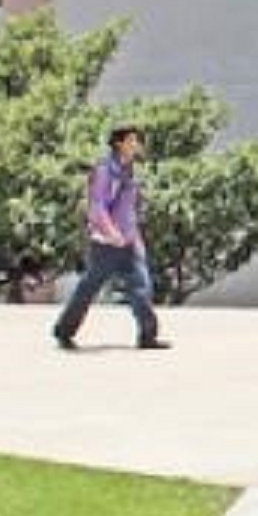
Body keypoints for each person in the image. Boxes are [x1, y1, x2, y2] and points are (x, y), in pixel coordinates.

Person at [53, 125, 167, 351]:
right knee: (88, 289)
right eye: (132, 140)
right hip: (106, 245)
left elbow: (130, 210)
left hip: (129, 243)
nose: (137, 145)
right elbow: (97, 206)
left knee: (142, 288)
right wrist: (111, 233)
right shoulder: (106, 170)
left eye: (137, 141)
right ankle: (64, 332)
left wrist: (136, 239)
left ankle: (147, 336)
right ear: (119, 143)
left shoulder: (130, 171)